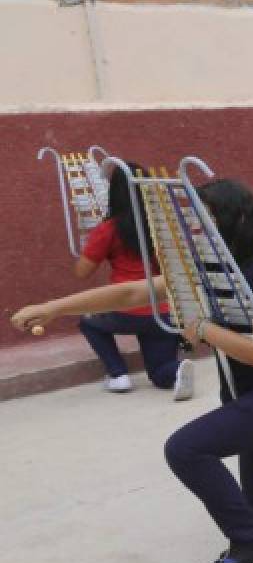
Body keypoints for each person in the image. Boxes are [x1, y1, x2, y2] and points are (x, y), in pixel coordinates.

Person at [13, 179, 253, 563]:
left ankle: (249, 540)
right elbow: (130, 295)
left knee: (185, 449)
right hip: (249, 398)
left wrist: (204, 330)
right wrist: (52, 308)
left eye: (207, 221)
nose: (199, 232)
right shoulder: (207, 269)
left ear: (235, 220)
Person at [73, 162, 193, 399]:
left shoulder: (108, 229)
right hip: (165, 311)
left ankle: (118, 375)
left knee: (88, 321)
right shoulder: (162, 225)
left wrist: (90, 247)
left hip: (125, 310)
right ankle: (176, 370)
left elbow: (82, 272)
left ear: (113, 192)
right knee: (160, 375)